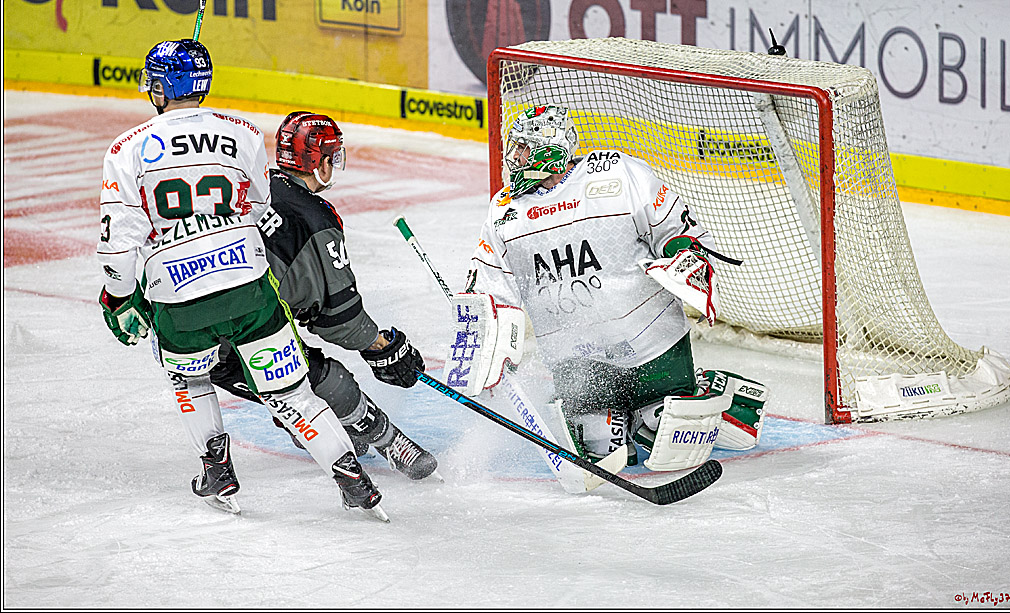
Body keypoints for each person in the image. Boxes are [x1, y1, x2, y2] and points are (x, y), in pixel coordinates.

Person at [97, 39, 386, 519]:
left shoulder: (126, 149)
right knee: (291, 392)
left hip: (180, 300)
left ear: (161, 87)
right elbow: (257, 208)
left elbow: (118, 241)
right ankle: (352, 478)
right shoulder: (243, 132)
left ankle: (218, 471)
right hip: (249, 290)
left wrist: (118, 295)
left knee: (192, 381)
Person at [456, 105, 770, 476]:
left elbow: (674, 226)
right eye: (515, 147)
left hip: (651, 345)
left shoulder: (616, 172)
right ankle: (626, 413)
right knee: (600, 447)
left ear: (551, 150)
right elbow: (491, 285)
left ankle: (712, 393)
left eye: (524, 148)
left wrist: (680, 248)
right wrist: (485, 334)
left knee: (667, 434)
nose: (515, 157)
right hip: (577, 362)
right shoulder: (504, 212)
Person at [208, 111, 436, 482]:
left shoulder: (250, 186)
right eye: (332, 156)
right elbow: (338, 319)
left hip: (195, 337)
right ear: (318, 161)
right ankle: (390, 440)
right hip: (243, 340)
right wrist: (381, 348)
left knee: (276, 363)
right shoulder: (315, 218)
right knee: (324, 380)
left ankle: (306, 423)